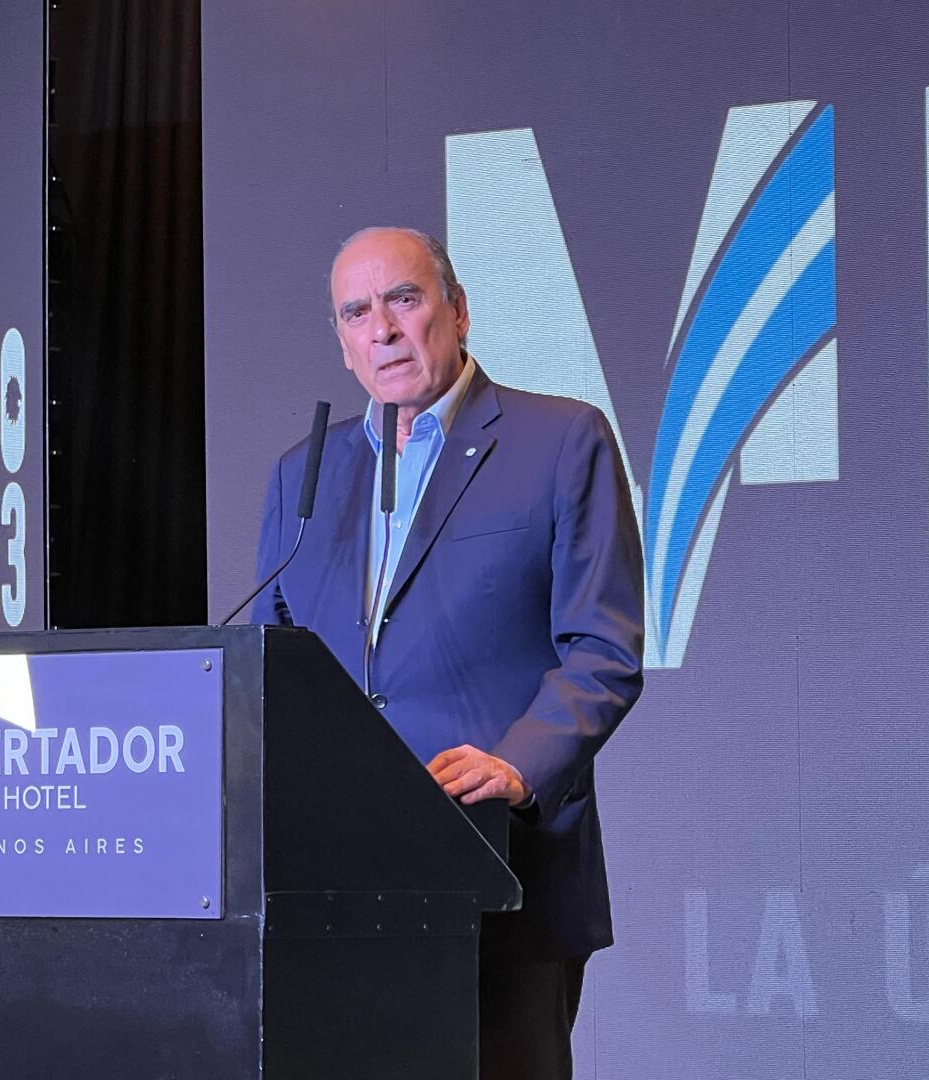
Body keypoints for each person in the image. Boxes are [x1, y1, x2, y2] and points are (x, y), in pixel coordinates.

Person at [250, 226, 645, 1080]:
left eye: (405, 298)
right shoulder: (303, 478)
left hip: (497, 864)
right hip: (335, 889)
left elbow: (604, 648)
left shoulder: (561, 442)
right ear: (343, 343)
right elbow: (270, 671)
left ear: (457, 311)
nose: (383, 328)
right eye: (357, 311)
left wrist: (515, 765)